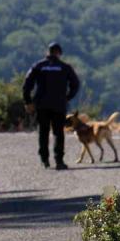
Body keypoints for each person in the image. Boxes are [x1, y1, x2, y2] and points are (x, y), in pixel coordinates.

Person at [23, 42, 80, 170]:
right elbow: (75, 84)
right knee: (58, 132)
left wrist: (28, 102)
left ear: (47, 52)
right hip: (59, 104)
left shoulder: (38, 66)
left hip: (41, 104)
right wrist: (67, 97)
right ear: (59, 53)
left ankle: (44, 160)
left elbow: (27, 85)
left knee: (43, 132)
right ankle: (59, 161)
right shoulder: (65, 67)